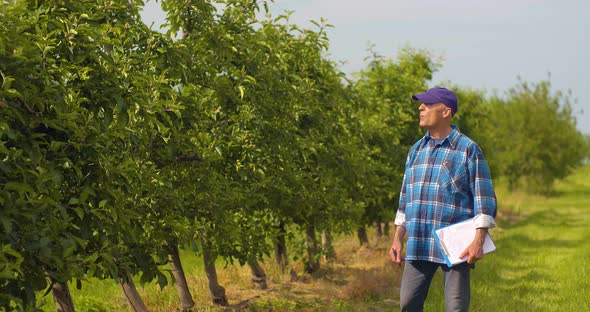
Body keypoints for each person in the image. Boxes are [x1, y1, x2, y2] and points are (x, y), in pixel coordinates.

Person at [389, 87, 497, 312]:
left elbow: (484, 200)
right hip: (418, 242)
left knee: (456, 308)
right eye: (421, 104)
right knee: (408, 305)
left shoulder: (468, 150)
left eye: (427, 104)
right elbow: (404, 200)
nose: (420, 108)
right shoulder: (415, 151)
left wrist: (478, 241)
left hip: (455, 247)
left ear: (446, 111)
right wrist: (398, 237)